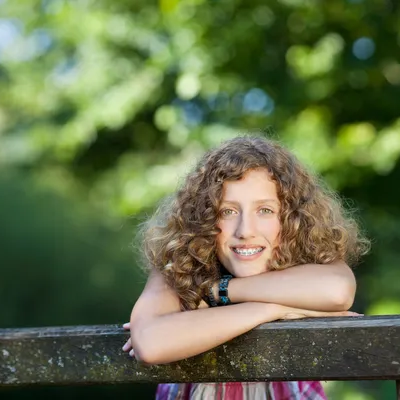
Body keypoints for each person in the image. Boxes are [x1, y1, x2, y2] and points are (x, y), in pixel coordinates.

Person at [122, 136, 370, 399]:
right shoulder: (181, 267)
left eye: (264, 210)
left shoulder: (304, 262)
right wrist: (276, 308)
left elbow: (339, 292)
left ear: (292, 219)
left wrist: (219, 291)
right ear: (203, 218)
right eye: (227, 211)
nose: (245, 231)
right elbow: (150, 344)